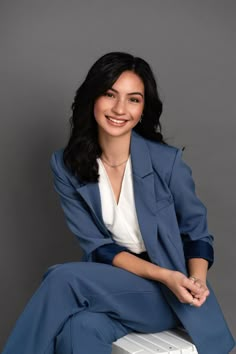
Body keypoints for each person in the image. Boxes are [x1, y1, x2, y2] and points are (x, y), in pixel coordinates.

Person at [2, 52, 235, 354]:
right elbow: (97, 246)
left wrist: (195, 282)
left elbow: (198, 235)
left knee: (63, 278)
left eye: (133, 99)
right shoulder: (66, 165)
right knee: (80, 328)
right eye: (110, 94)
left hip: (169, 294)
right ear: (92, 98)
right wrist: (162, 275)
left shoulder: (167, 162)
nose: (119, 108)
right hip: (115, 286)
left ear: (142, 109)